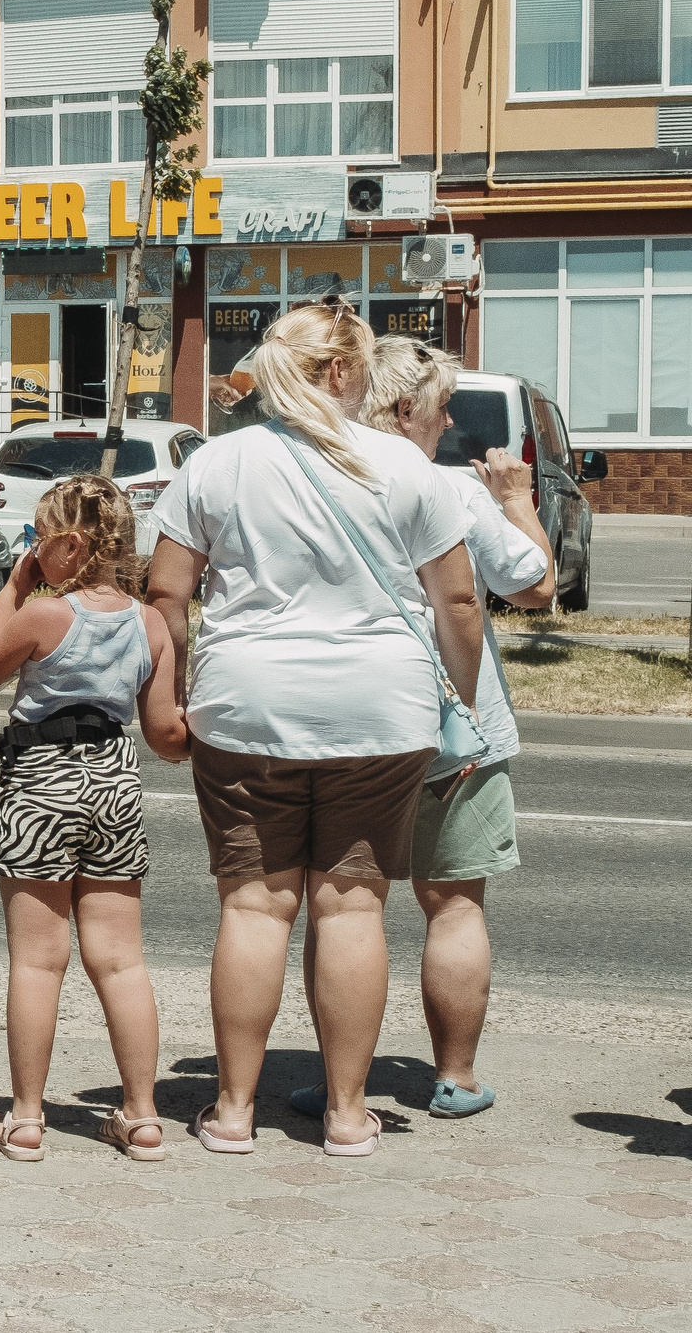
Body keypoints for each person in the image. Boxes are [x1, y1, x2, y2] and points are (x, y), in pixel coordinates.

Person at [146, 301, 485, 1157]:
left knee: (256, 909)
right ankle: (345, 1113)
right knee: (353, 907)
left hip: (247, 707)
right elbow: (458, 602)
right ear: (339, 373)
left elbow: (167, 596)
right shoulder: (405, 469)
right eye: (362, 364)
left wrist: (164, 699)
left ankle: (230, 1111)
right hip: (381, 712)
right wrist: (464, 704)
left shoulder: (216, 463)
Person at [279, 336, 552, 1123]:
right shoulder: (446, 490)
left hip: (345, 722)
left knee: (337, 905)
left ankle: (341, 1084)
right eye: (440, 406)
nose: (450, 419)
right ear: (406, 409)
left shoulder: (310, 478)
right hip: (448, 722)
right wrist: (516, 497)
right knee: (453, 902)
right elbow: (533, 587)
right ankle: (456, 1077)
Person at [0, 475, 190, 1163]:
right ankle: (143, 1115)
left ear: (67, 546)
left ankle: (29, 1119)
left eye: (38, 540)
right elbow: (163, 732)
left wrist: (15, 587)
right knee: (121, 961)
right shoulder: (151, 623)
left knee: (39, 962)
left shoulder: (43, 615)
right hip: (113, 781)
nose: (31, 551)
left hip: (42, 781)